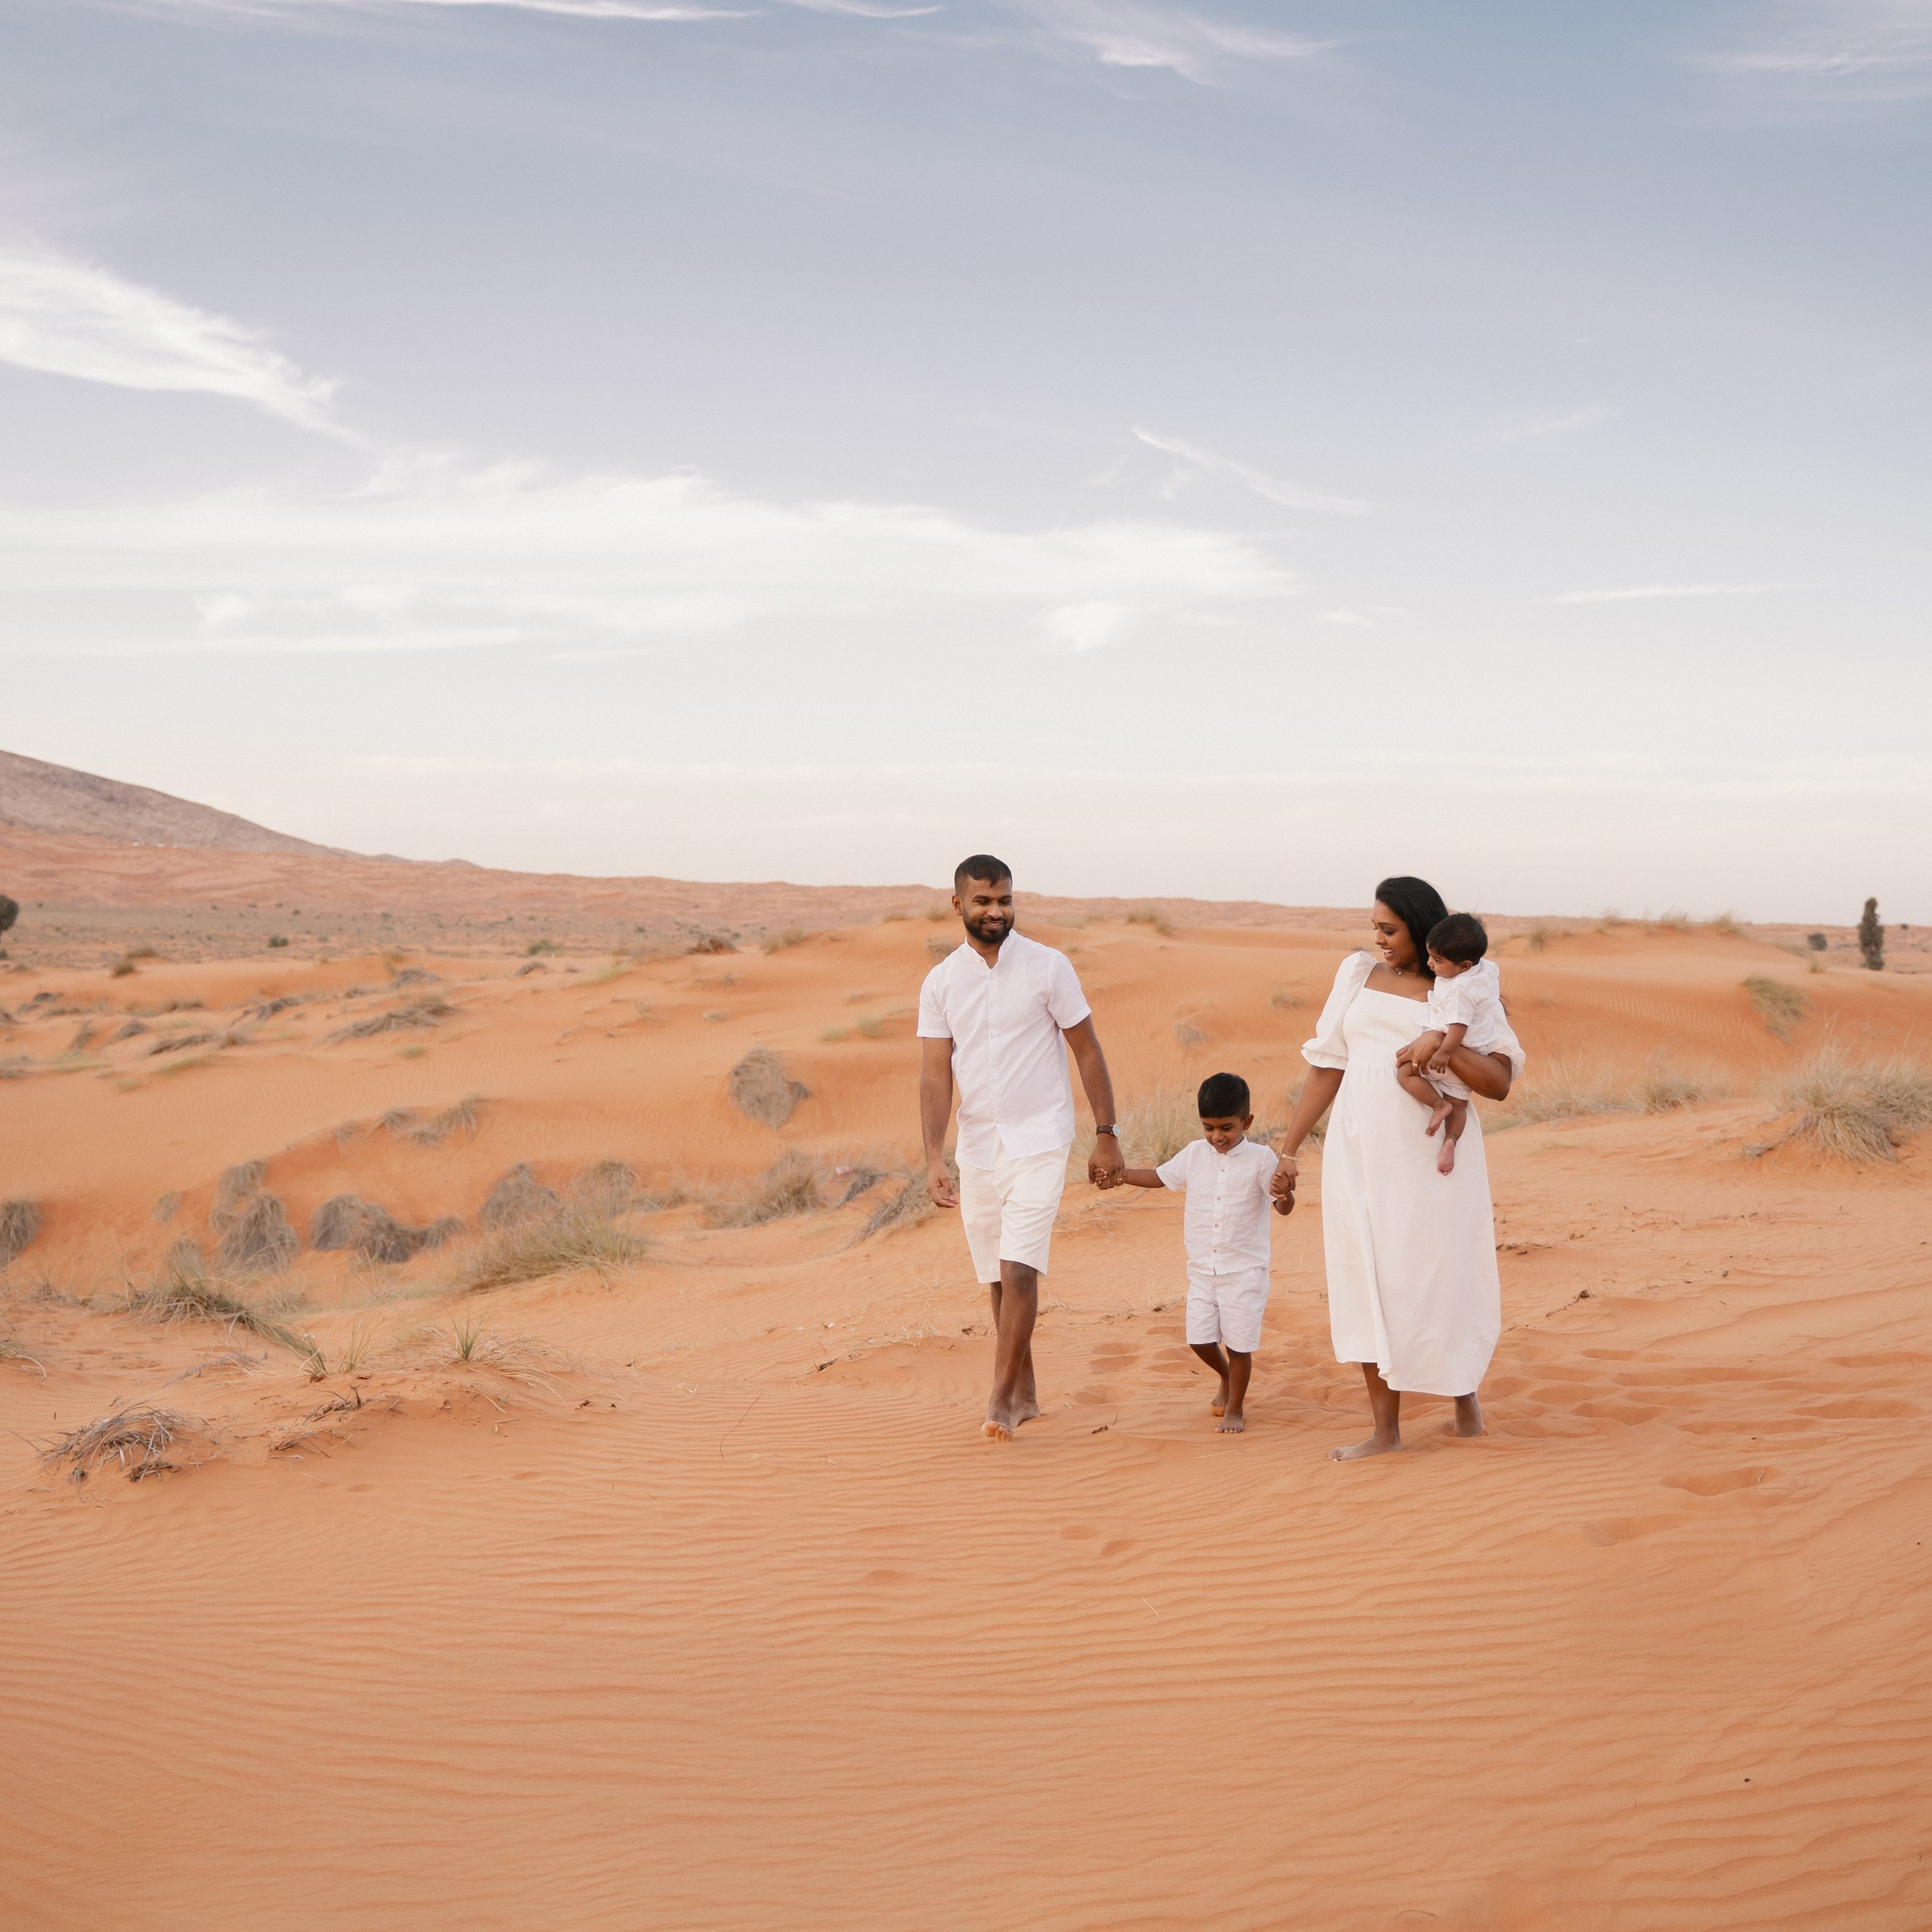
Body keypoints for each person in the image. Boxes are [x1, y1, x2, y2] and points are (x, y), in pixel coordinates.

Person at [1269, 877, 1524, 1461]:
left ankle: (1465, 1399)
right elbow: (1327, 1065)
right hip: (1358, 1147)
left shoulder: (1463, 988)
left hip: (1430, 1152)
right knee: (1365, 1273)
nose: (1379, 940)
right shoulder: (1357, 974)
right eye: (1374, 929)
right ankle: (1386, 1430)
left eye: (1390, 929)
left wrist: (1443, 1037)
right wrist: (1290, 1150)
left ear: (1421, 926)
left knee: (1439, 1272)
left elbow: (1501, 1083)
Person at [918, 855, 1124, 1440]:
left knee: (1020, 1268)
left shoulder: (1048, 967)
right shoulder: (941, 982)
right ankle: (1027, 1392)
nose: (996, 911)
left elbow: (1087, 1050)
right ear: (957, 904)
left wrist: (1105, 1135)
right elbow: (936, 1075)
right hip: (978, 1145)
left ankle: (999, 1401)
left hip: (1040, 1139)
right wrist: (934, 1156)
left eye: (1005, 900)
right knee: (995, 1276)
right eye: (983, 901)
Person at [1102, 1071, 1289, 1433]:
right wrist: (1121, 1176)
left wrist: (1286, 1192)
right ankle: (1225, 1377)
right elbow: (1160, 1176)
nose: (1217, 1137)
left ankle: (1236, 1408)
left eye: (1226, 1128)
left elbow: (1283, 1207)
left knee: (1238, 1347)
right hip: (1202, 1270)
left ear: (1246, 1122)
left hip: (1244, 1273)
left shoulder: (1263, 1160)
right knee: (1199, 1339)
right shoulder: (1194, 1154)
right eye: (1208, 1128)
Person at [1392, 912, 1507, 1176]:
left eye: (1438, 960)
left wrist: (1443, 1052)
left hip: (1453, 1048)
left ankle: (1436, 1105)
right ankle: (1450, 1141)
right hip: (1479, 1050)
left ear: (1465, 966)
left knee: (1405, 1072)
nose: (1430, 963)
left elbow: (1457, 1027)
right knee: (1459, 1104)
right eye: (1430, 956)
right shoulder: (1485, 970)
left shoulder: (1458, 990)